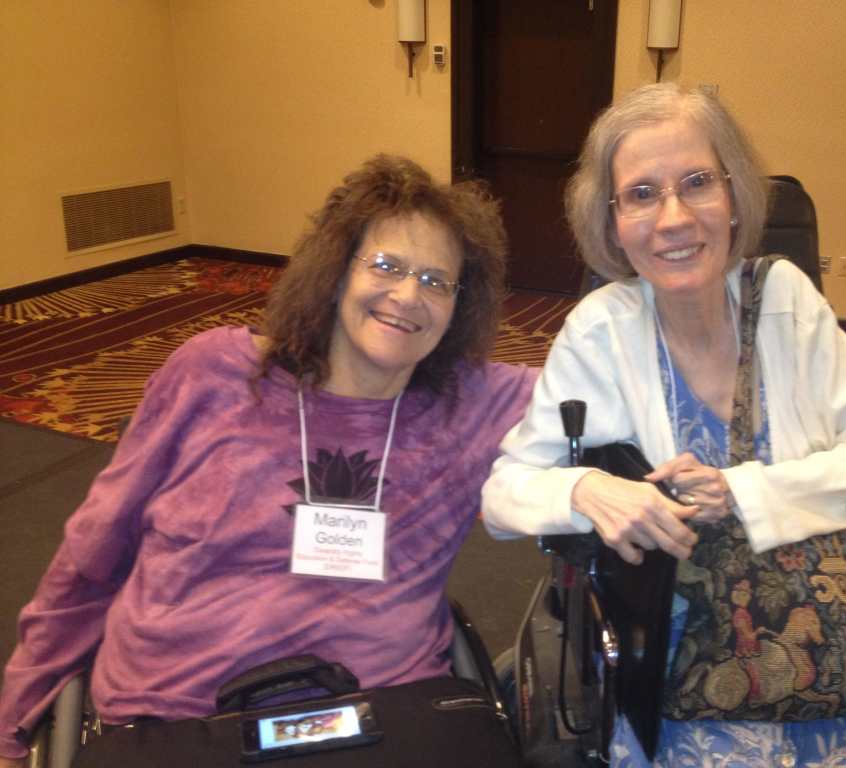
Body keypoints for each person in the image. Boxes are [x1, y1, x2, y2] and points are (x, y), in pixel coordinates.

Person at [0, 154, 537, 765]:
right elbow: (92, 555)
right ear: (336, 271)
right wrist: (15, 720)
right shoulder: (215, 373)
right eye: (386, 265)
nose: (409, 295)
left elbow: (615, 379)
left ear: (459, 306)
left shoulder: (474, 402)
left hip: (384, 711)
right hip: (181, 711)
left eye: (437, 281)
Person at [482, 84, 846, 766]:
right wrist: (585, 490)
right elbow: (503, 496)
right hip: (687, 658)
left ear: (734, 198)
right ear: (612, 223)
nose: (673, 218)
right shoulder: (601, 330)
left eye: (696, 182)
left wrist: (744, 492)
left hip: (841, 626)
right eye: (642, 193)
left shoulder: (787, 299)